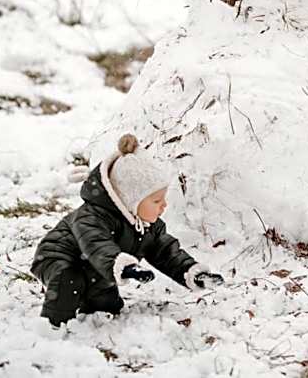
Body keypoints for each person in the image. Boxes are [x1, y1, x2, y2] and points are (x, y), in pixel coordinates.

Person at [32, 134, 223, 326]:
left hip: (95, 267)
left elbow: (166, 253)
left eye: (163, 198)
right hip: (58, 256)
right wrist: (126, 268)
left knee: (107, 305)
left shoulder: (148, 226)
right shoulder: (91, 217)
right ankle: (53, 325)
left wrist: (191, 272)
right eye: (156, 200)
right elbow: (98, 246)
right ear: (130, 201)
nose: (164, 205)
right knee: (69, 280)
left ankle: (89, 299)